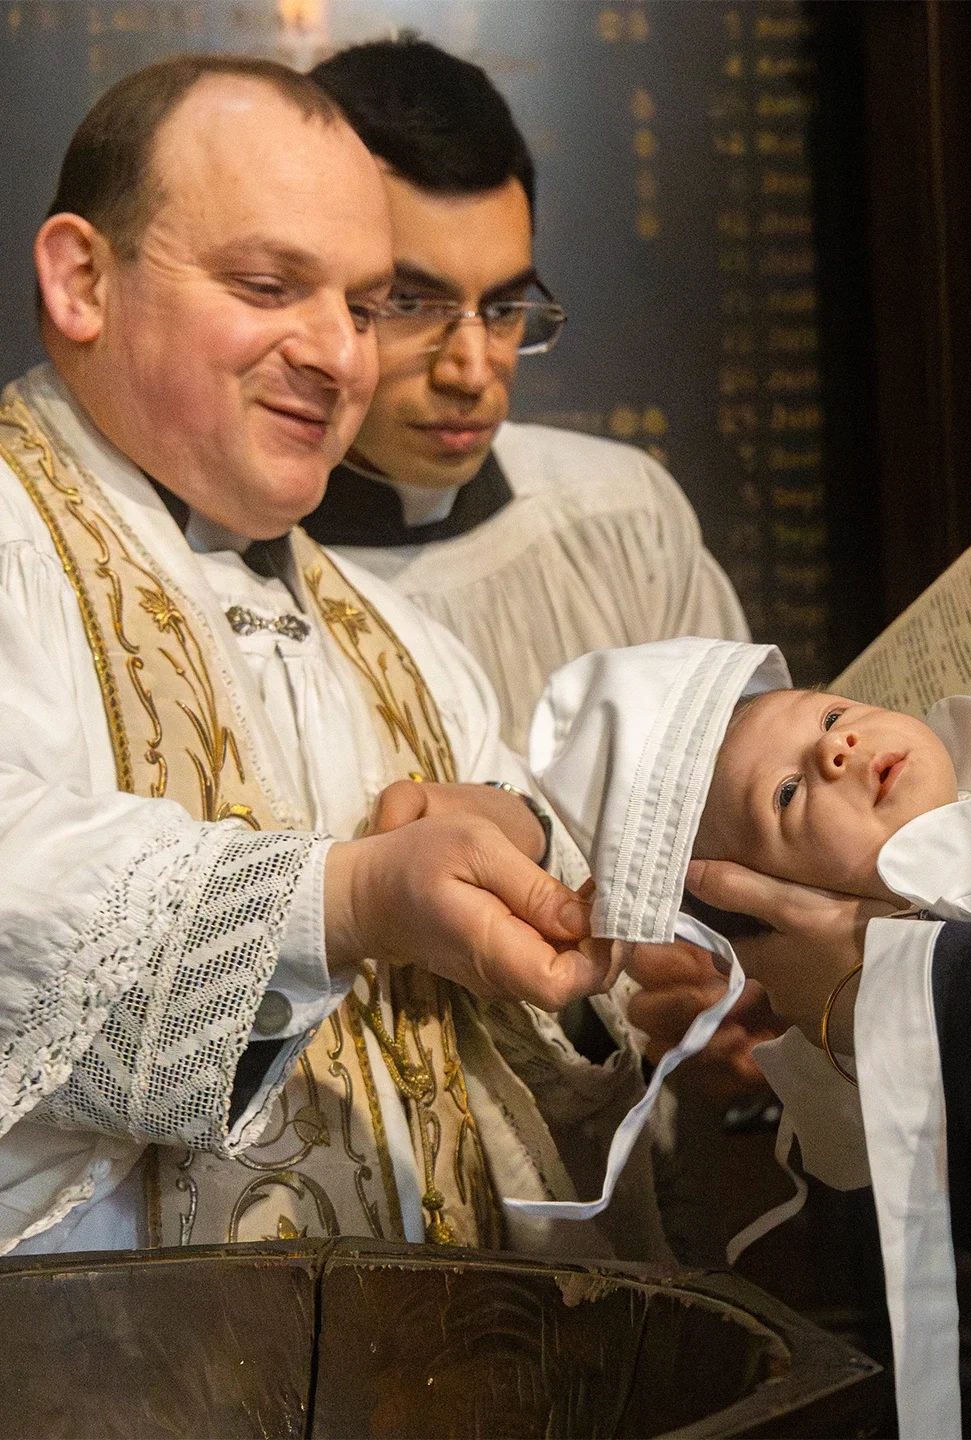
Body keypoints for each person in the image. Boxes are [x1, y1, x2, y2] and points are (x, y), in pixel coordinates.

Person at [0, 54, 673, 1266]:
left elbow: (518, 1079)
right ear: (81, 278)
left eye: (365, 307)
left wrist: (592, 968)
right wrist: (349, 899)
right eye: (270, 285)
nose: (341, 355)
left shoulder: (404, 649)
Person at [529, 638, 971, 1440]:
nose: (835, 744)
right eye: (786, 794)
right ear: (779, 906)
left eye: (829, 713)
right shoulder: (842, 1061)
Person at [301, 36, 749, 757]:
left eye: (505, 308)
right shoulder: (223, 570)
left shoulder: (623, 521)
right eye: (412, 303)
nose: (472, 372)